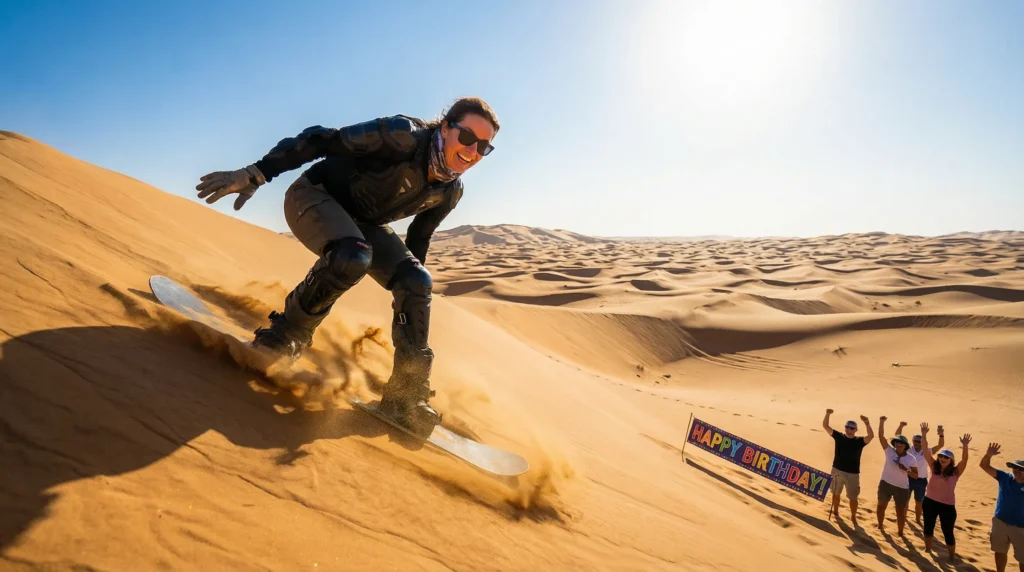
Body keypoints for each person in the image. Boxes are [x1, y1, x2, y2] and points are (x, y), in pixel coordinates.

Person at [194, 97, 500, 437]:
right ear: (445, 128)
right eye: (468, 137)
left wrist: (408, 291)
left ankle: (405, 395)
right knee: (353, 256)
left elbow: (418, 239)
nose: (473, 151)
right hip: (313, 196)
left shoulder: (449, 191)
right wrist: (257, 173)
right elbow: (320, 138)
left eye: (484, 148)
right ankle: (284, 338)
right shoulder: (400, 135)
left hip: (365, 224)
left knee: (417, 279)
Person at [917, 422, 970, 561]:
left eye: (946, 457)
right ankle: (927, 549)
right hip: (929, 502)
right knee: (928, 527)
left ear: (951, 460)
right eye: (941, 456)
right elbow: (925, 450)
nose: (942, 459)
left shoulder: (956, 472)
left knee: (948, 532)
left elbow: (964, 460)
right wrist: (923, 435)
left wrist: (965, 446)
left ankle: (951, 556)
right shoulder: (934, 465)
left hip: (947, 506)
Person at [822, 409, 874, 527]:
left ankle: (853, 516)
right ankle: (835, 512)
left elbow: (870, 436)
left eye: (852, 428)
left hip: (853, 474)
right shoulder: (839, 437)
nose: (849, 430)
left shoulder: (859, 441)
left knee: (853, 497)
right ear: (845, 428)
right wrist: (828, 414)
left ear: (855, 430)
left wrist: (867, 423)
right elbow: (825, 426)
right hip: (837, 471)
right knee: (835, 494)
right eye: (848, 427)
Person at [980, 443, 1024, 572]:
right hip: (1000, 523)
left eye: (1021, 469)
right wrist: (988, 455)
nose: (1017, 471)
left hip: (1021, 528)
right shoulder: (1005, 478)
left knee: (1023, 559)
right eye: (1014, 467)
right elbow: (984, 466)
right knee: (999, 552)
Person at [876, 417, 919, 536]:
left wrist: (906, 470)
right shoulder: (889, 451)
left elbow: (915, 476)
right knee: (881, 506)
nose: (898, 445)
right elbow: (881, 437)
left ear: (905, 446)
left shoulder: (911, 459)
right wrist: (881, 422)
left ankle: (900, 532)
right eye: (896, 443)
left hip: (901, 488)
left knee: (900, 512)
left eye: (901, 443)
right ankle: (880, 526)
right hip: (885, 483)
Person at [896, 423, 946, 525]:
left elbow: (940, 445)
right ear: (912, 441)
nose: (917, 443)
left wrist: (941, 434)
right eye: (915, 441)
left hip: (921, 480)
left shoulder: (927, 450)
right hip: (908, 478)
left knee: (919, 502)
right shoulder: (908, 449)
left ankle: (918, 519)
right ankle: (904, 519)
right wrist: (901, 426)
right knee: (906, 501)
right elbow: (898, 437)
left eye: (919, 441)